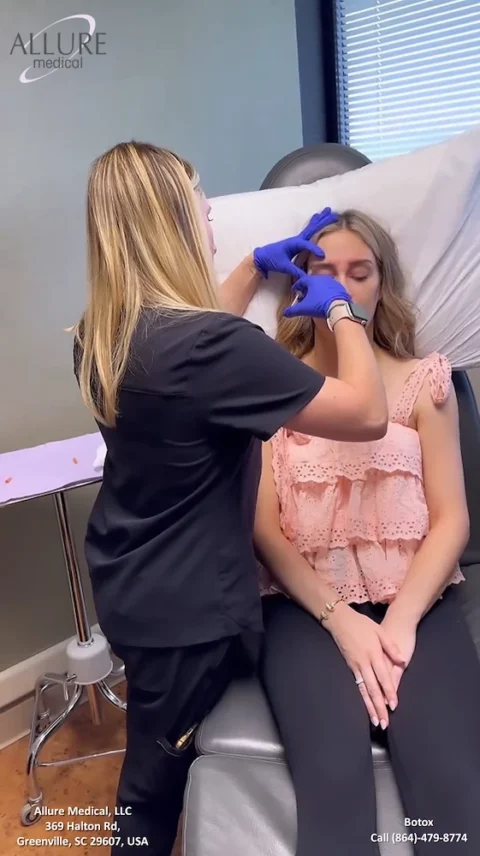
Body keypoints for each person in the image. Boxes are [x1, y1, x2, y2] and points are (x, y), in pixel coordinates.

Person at [73, 142, 389, 855]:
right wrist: (343, 312)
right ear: (169, 224)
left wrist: (253, 268)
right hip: (187, 615)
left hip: (131, 580)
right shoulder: (207, 349)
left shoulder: (102, 332)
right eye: (198, 203)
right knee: (151, 792)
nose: (211, 217)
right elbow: (367, 414)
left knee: (155, 761)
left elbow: (192, 356)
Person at [254, 209, 480, 856]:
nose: (342, 289)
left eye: (360, 273)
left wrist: (401, 622)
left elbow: (452, 519)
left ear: (383, 284)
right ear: (300, 287)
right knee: (333, 782)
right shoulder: (271, 385)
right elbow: (264, 529)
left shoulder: (421, 381)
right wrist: (340, 620)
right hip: (303, 606)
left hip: (416, 596)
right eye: (323, 273)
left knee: (455, 789)